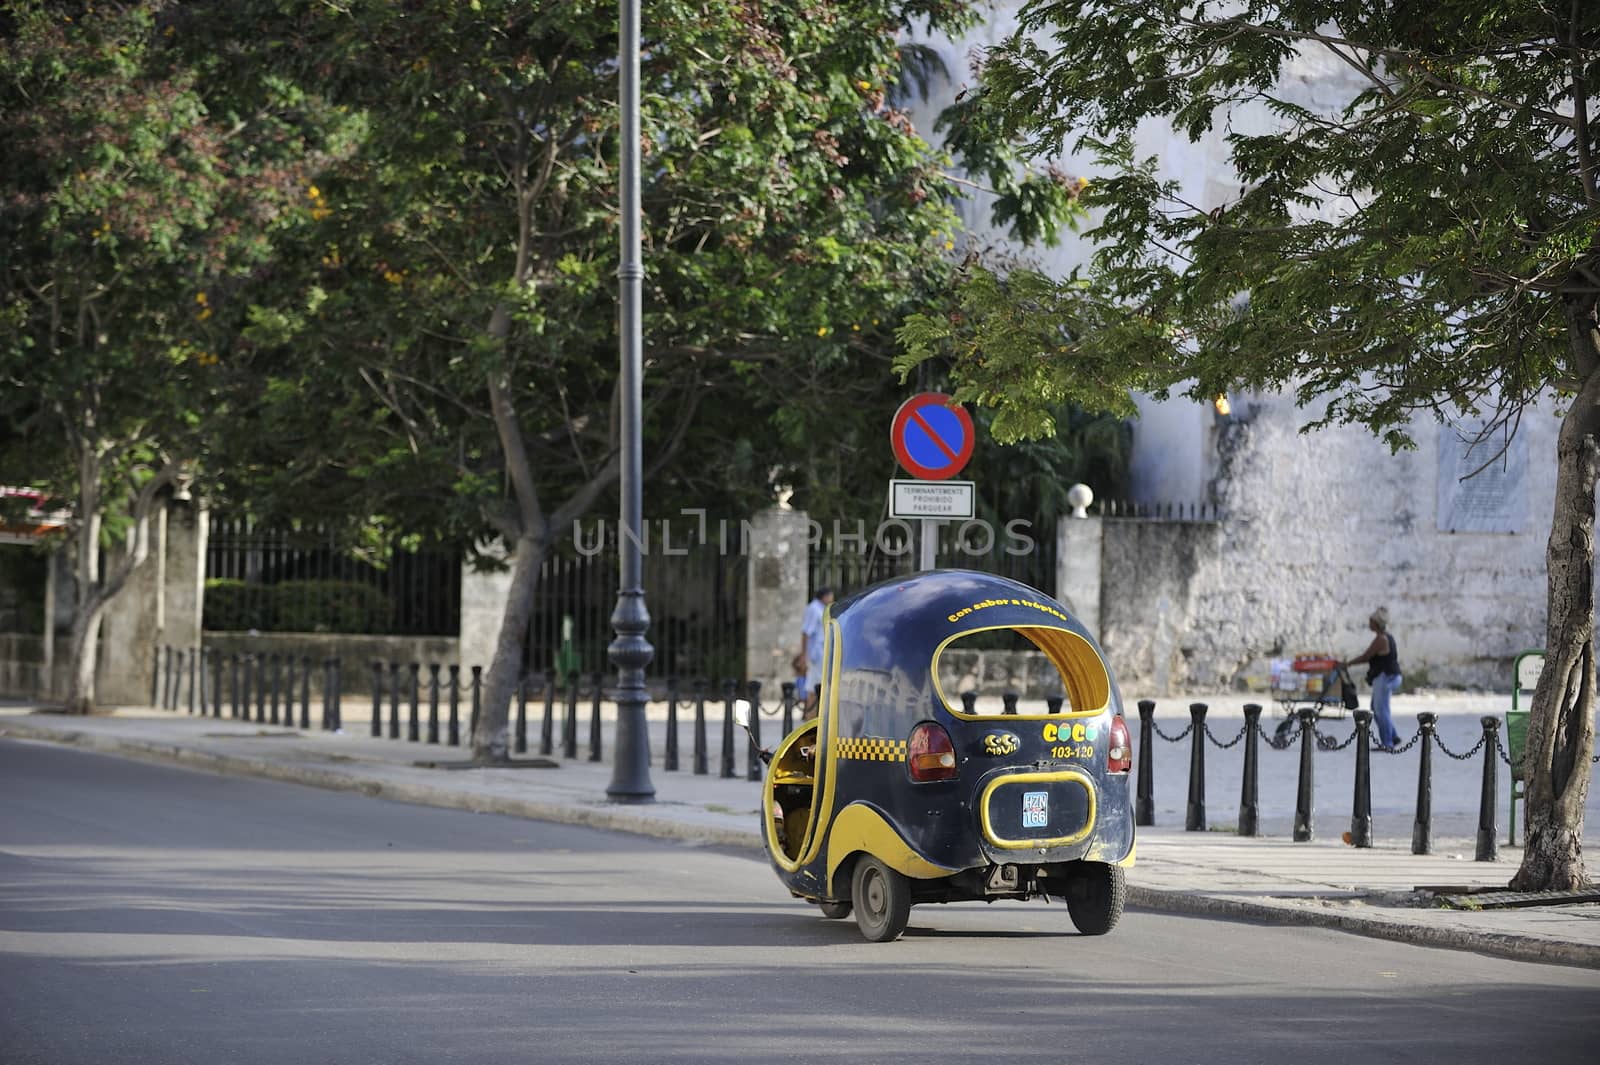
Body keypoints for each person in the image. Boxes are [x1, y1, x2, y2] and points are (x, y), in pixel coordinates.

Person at [1340, 607, 1402, 749]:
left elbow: (1366, 657)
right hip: (1389, 676)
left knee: (1381, 710)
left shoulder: (1381, 639)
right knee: (1377, 707)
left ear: (1376, 623)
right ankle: (1393, 736)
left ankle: (1387, 743)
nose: (1369, 623)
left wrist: (1348, 664)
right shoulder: (1386, 637)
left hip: (1386, 677)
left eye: (1371, 621)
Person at [794, 586, 834, 719]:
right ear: (825, 596)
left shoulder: (821, 609)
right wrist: (804, 655)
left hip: (821, 651)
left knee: (815, 684)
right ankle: (810, 714)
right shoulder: (814, 609)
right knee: (814, 685)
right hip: (816, 654)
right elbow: (806, 632)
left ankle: (810, 713)